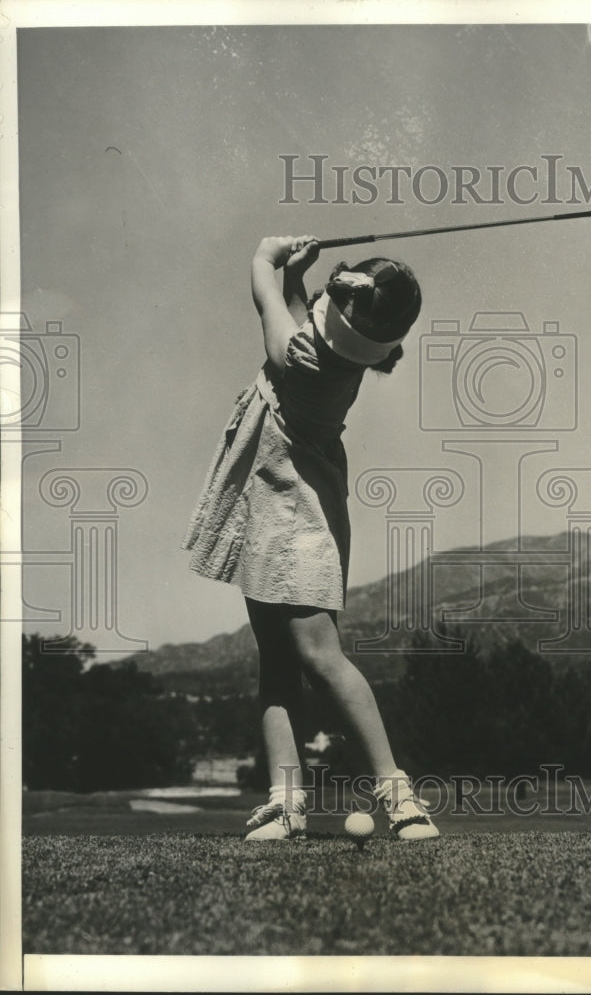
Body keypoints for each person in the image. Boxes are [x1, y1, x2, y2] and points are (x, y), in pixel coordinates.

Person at [182, 233, 438, 842]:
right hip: (276, 502)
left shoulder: (300, 354)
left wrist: (269, 257)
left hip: (290, 511)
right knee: (278, 659)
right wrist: (301, 275)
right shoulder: (337, 355)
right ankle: (285, 803)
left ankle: (398, 796)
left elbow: (264, 289)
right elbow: (300, 313)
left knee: (318, 657)